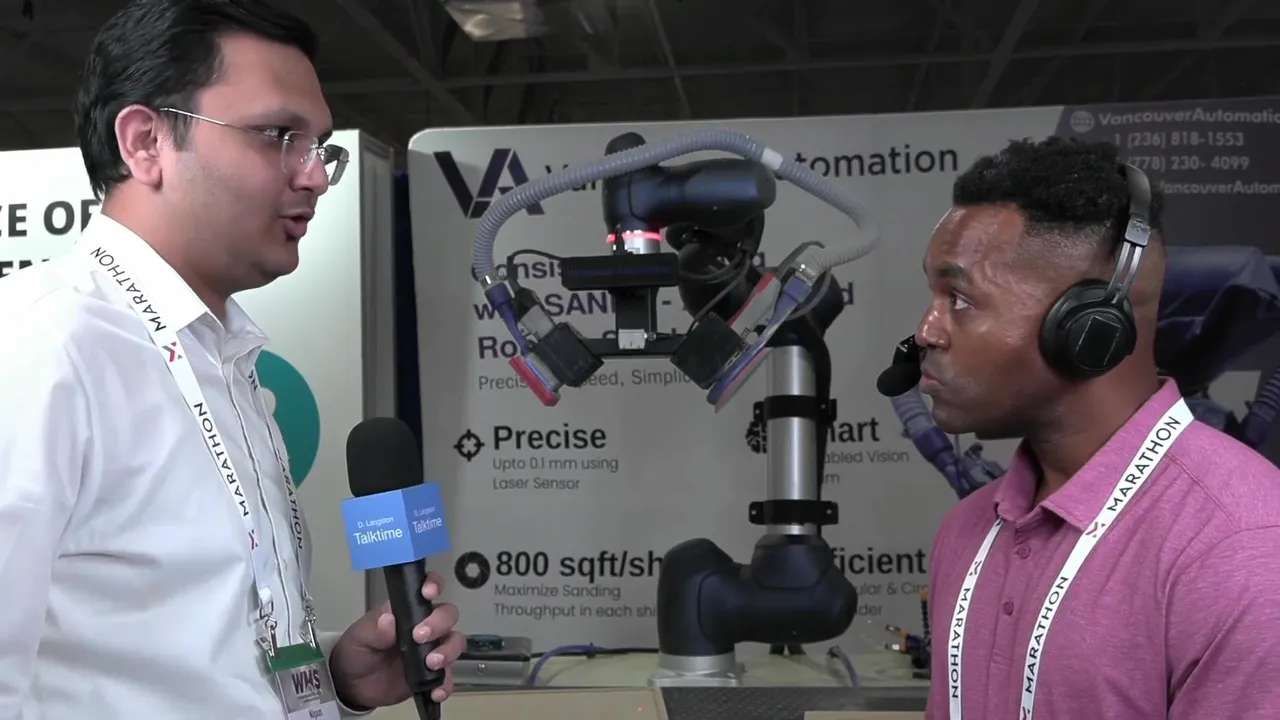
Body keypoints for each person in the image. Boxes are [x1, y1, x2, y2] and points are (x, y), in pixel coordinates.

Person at [0, 1, 464, 717]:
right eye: (279, 136)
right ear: (146, 142)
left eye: (319, 146)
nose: (315, 177)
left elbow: (188, 652)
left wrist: (333, 679)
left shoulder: (221, 356)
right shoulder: (42, 346)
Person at [916, 136, 1280, 719]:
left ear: (1089, 324)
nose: (927, 331)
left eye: (959, 299)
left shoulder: (1240, 546)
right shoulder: (966, 532)